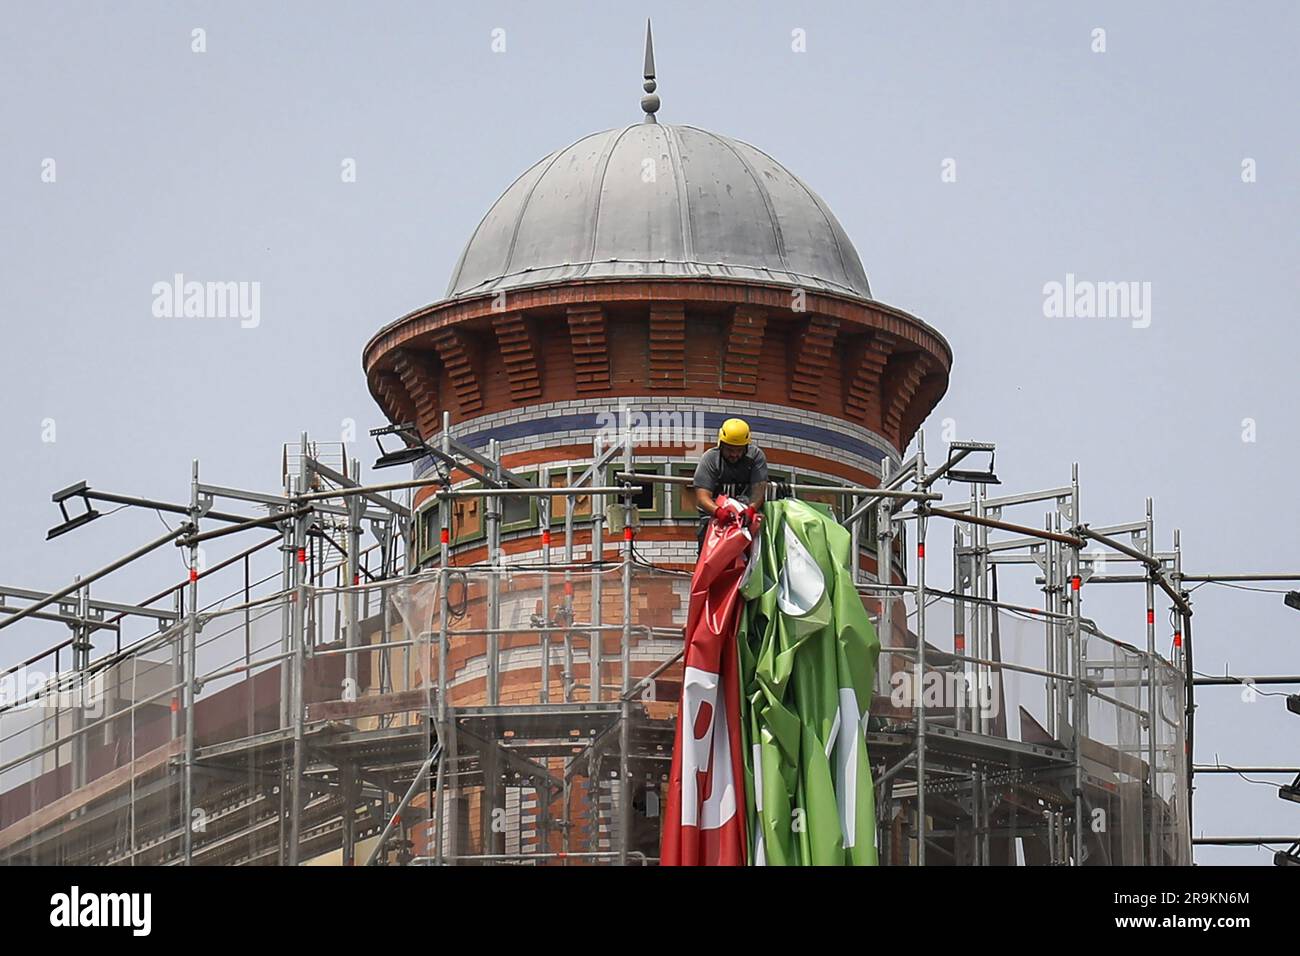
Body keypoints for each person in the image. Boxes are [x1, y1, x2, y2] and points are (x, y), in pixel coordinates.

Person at [692, 418, 768, 551]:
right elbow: (702, 497)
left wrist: (751, 509)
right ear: (721, 444)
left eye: (739, 450)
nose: (734, 455)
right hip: (714, 520)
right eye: (730, 450)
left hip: (745, 520)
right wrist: (718, 512)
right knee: (710, 557)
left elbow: (759, 490)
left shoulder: (755, 457)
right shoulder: (710, 459)